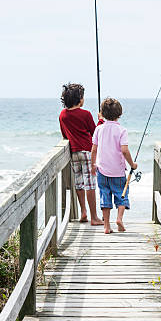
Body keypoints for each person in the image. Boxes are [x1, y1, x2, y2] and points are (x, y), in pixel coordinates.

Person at [91, 97, 137, 234]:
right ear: (119, 114)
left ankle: (106, 226)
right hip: (117, 171)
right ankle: (119, 219)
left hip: (102, 170)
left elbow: (94, 149)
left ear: (102, 114)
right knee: (121, 194)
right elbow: (124, 150)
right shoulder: (122, 130)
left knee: (104, 195)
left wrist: (93, 165)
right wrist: (132, 164)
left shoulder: (99, 129)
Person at [59, 83, 103, 226]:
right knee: (90, 183)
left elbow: (64, 134)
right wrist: (101, 120)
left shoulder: (62, 115)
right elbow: (94, 132)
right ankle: (94, 217)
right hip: (87, 152)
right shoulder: (85, 114)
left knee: (79, 182)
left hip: (74, 153)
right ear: (79, 99)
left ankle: (83, 212)